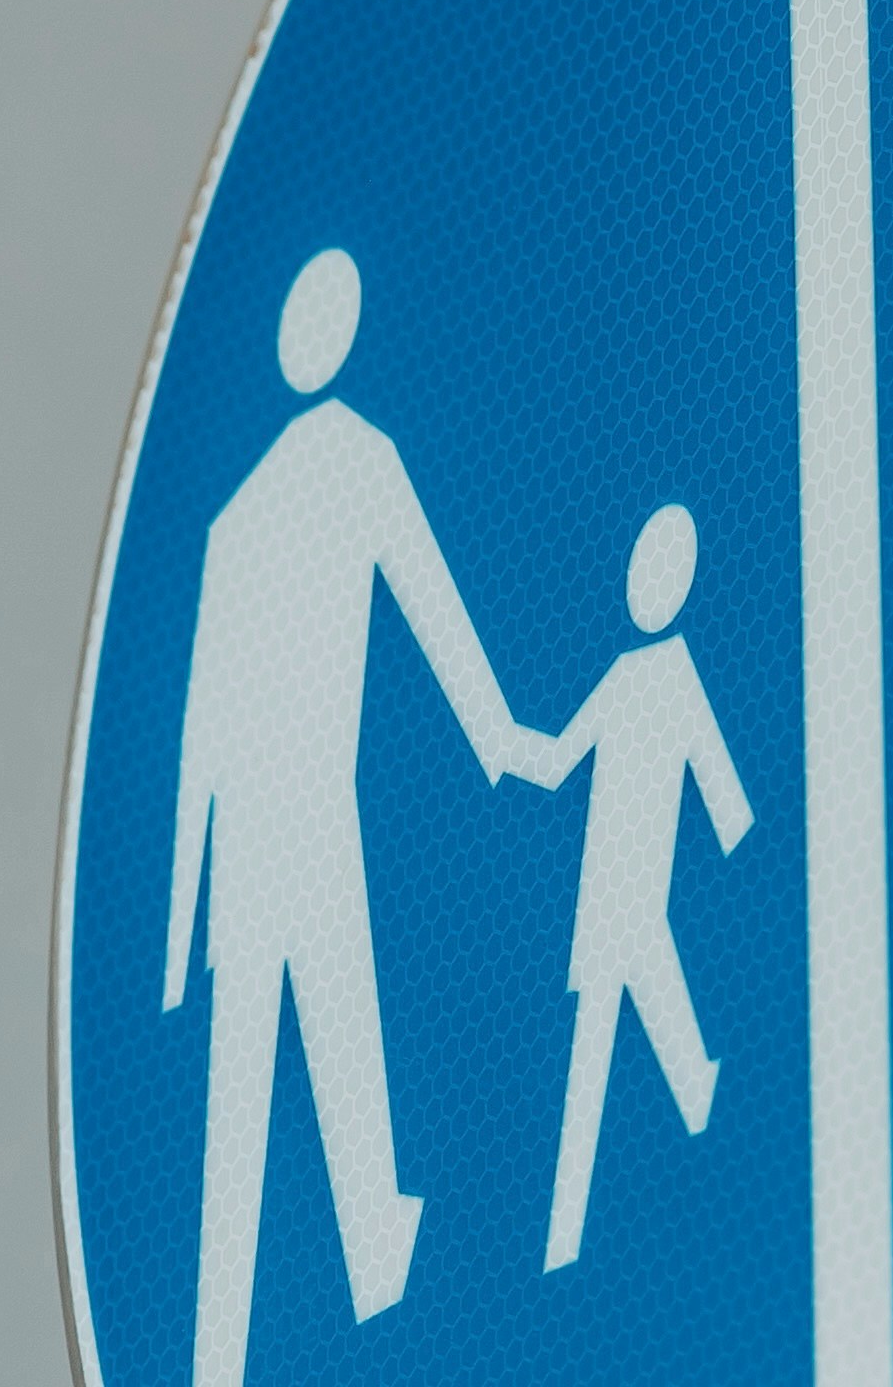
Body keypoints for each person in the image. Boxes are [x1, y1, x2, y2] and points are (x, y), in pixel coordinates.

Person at [162, 247, 545, 1387]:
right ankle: (376, 1247)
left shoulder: (234, 516)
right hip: (311, 823)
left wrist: (184, 923)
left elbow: (196, 746)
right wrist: (502, 741)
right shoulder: (354, 458)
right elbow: (433, 611)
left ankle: (221, 1342)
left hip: (246, 847)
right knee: (341, 1041)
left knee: (254, 1085)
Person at [535, 502, 756, 1269]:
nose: (641, 587)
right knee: (621, 1035)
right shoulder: (624, 675)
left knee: (620, 1037)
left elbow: (725, 793)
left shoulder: (676, 679)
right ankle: (565, 1234)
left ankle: (569, 1230)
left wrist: (741, 846)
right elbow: (564, 759)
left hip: (637, 896)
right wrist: (510, 748)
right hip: (606, 896)